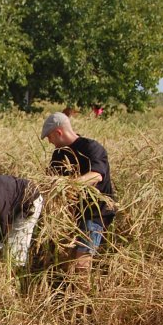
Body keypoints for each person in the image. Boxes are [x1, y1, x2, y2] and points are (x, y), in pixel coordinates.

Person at [41, 112, 115, 274]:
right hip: (72, 214)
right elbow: (51, 181)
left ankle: (85, 298)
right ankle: (72, 296)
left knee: (82, 263)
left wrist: (68, 185)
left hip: (95, 213)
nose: (49, 141)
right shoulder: (59, 155)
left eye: (49, 137)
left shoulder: (91, 148)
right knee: (68, 262)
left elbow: (96, 175)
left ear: (58, 132)